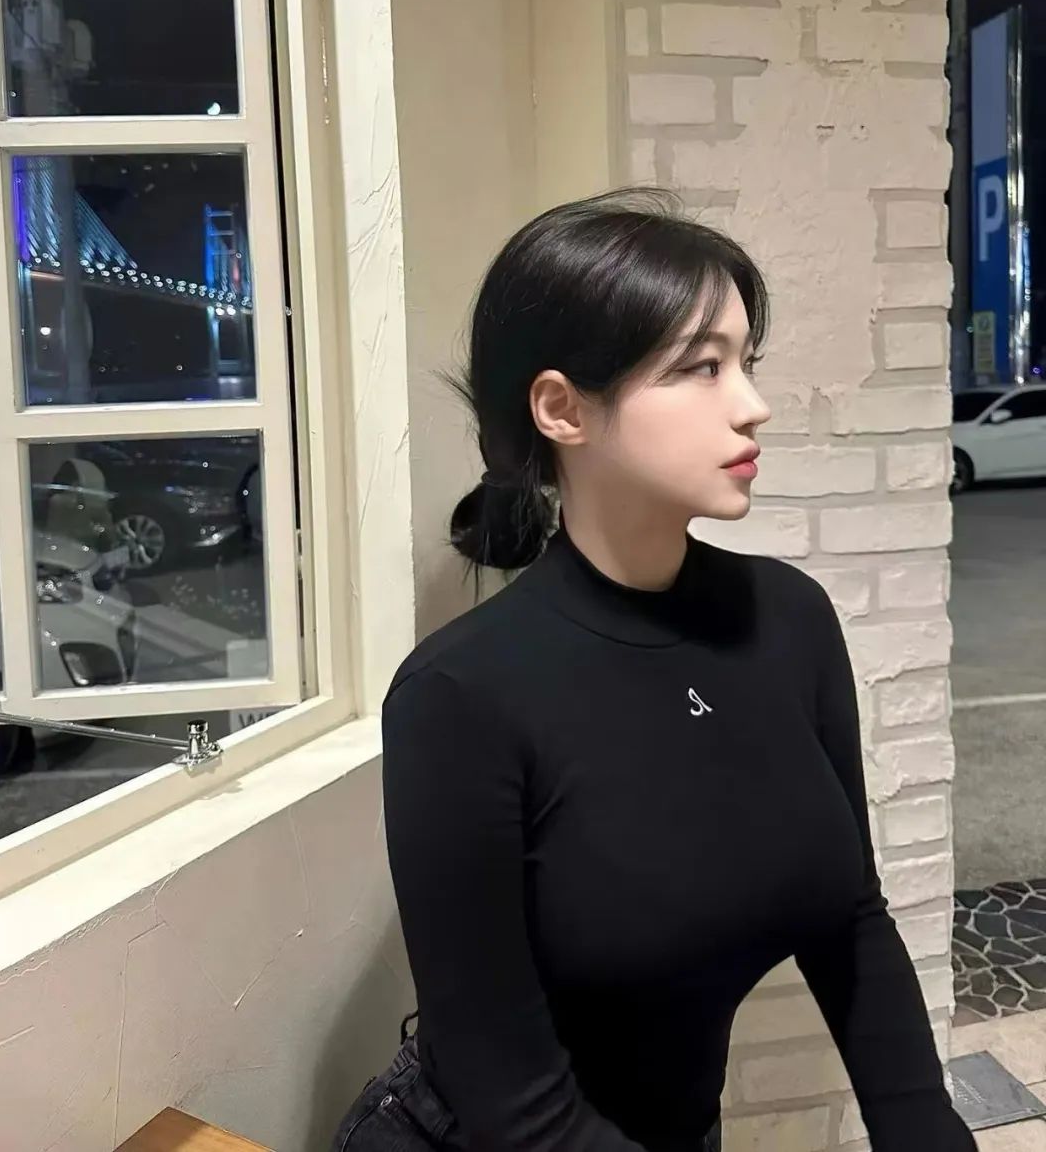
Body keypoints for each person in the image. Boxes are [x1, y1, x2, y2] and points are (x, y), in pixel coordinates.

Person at [331, 191, 976, 1152]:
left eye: (746, 362)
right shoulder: (461, 697)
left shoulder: (789, 621)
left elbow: (850, 921)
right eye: (700, 367)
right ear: (562, 408)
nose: (751, 404)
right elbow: (513, 1100)